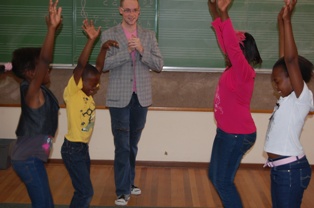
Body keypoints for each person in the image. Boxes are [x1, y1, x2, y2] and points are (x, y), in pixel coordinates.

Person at [100, 0, 164, 205]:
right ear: (120, 11)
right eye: (126, 10)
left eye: (134, 10)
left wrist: (142, 50)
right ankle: (122, 190)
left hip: (141, 98)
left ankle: (129, 182)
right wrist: (126, 52)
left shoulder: (148, 35)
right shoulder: (109, 34)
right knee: (122, 146)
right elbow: (102, 65)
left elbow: (159, 65)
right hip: (119, 98)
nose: (130, 14)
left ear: (138, 11)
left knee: (132, 145)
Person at [207, 0, 262, 207]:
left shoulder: (244, 71)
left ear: (241, 51)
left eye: (234, 49)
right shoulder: (234, 68)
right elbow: (225, 40)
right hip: (227, 132)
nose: (227, 50)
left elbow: (230, 44)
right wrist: (213, 8)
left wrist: (224, 13)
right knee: (215, 176)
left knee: (223, 182)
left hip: (237, 135)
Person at [61, 19, 118, 208]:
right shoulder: (74, 92)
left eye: (96, 84)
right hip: (72, 149)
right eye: (92, 84)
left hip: (82, 148)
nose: (96, 87)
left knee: (82, 190)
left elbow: (98, 69)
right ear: (80, 81)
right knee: (86, 192)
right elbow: (81, 65)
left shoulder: (88, 90)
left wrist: (103, 49)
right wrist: (91, 41)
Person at [10, 0, 62, 207]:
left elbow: (42, 62)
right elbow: (45, 60)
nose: (48, 70)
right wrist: (51, 29)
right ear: (32, 72)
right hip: (28, 160)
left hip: (28, 158)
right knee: (44, 204)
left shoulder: (33, 89)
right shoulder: (32, 92)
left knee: (43, 202)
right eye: (42, 68)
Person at [263, 0, 314, 207]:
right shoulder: (287, 98)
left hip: (290, 171)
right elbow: (285, 59)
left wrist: (287, 22)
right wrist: (282, 23)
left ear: (293, 78)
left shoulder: (301, 98)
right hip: (280, 169)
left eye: (277, 81)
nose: (275, 86)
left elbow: (290, 61)